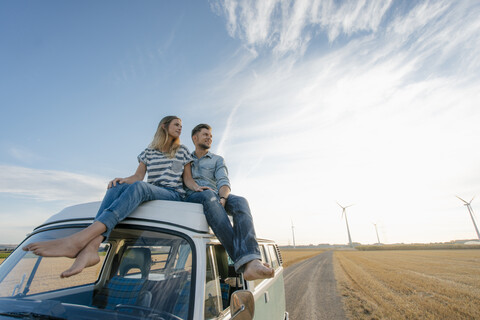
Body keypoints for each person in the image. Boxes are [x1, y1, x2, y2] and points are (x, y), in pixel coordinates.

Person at [23, 116, 207, 278]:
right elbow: (137, 177)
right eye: (176, 124)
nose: (180, 127)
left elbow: (187, 180)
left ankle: (79, 240)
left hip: (172, 195)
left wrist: (198, 188)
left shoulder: (182, 151)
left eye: (181, 125)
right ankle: (91, 247)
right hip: (150, 190)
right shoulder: (148, 152)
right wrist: (122, 180)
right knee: (115, 187)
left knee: (140, 188)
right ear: (164, 127)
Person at [185, 124, 274, 281]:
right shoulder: (186, 159)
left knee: (240, 202)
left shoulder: (217, 160)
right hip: (194, 196)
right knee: (208, 195)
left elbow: (223, 182)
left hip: (215, 196)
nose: (209, 137)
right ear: (195, 138)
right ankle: (247, 263)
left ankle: (251, 259)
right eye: (205, 134)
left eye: (211, 136)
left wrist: (223, 199)